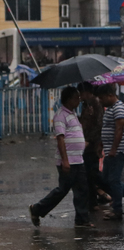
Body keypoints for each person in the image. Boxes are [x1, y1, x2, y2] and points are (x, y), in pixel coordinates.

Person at [29, 87, 94, 228]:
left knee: (82, 189)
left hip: (78, 159)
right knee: (62, 190)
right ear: (69, 99)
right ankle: (37, 209)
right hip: (68, 161)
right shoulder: (60, 115)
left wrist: (87, 116)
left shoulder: (73, 114)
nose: (79, 99)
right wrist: (65, 160)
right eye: (77, 97)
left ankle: (82, 219)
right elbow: (60, 139)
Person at [96, 83, 124, 221]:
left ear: (110, 95)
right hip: (110, 150)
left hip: (118, 150)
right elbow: (107, 128)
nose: (101, 101)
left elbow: (120, 129)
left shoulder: (119, 107)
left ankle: (117, 210)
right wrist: (102, 145)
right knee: (106, 180)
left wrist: (114, 149)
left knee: (113, 180)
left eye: (102, 98)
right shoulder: (110, 108)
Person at [77, 82, 111, 211]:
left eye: (81, 93)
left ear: (86, 92)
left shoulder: (96, 103)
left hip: (92, 145)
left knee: (94, 174)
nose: (80, 96)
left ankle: (120, 192)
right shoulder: (86, 105)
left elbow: (98, 125)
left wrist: (91, 141)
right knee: (88, 175)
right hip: (86, 144)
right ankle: (92, 202)